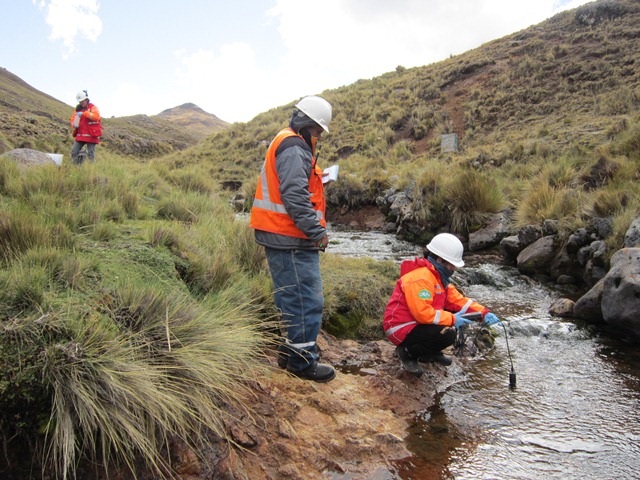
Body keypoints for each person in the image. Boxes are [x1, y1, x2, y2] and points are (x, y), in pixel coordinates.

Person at [250, 95, 335, 383]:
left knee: (290, 298)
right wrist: (318, 233)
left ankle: (290, 355)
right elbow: (295, 197)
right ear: (306, 124)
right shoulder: (295, 147)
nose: (319, 137)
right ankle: (302, 363)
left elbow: (291, 188)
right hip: (290, 236)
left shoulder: (286, 141)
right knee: (305, 300)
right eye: (318, 131)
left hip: (280, 234)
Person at [383, 233, 501, 377]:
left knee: (449, 333)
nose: (453, 269)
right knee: (446, 327)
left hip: (413, 325)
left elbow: (459, 301)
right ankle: (407, 352)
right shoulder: (421, 278)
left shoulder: (438, 279)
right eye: (452, 265)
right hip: (399, 328)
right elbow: (422, 313)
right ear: (440, 260)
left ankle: (428, 352)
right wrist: (452, 319)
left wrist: (483, 313)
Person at [70, 90, 102, 164]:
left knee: (91, 154)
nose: (81, 103)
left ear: (86, 99)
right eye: (80, 102)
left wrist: (84, 113)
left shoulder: (93, 107)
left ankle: (92, 171)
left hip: (91, 135)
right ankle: (76, 167)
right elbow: (72, 119)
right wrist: (73, 124)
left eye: (82, 101)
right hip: (80, 135)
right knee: (74, 151)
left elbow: (96, 117)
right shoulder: (77, 109)